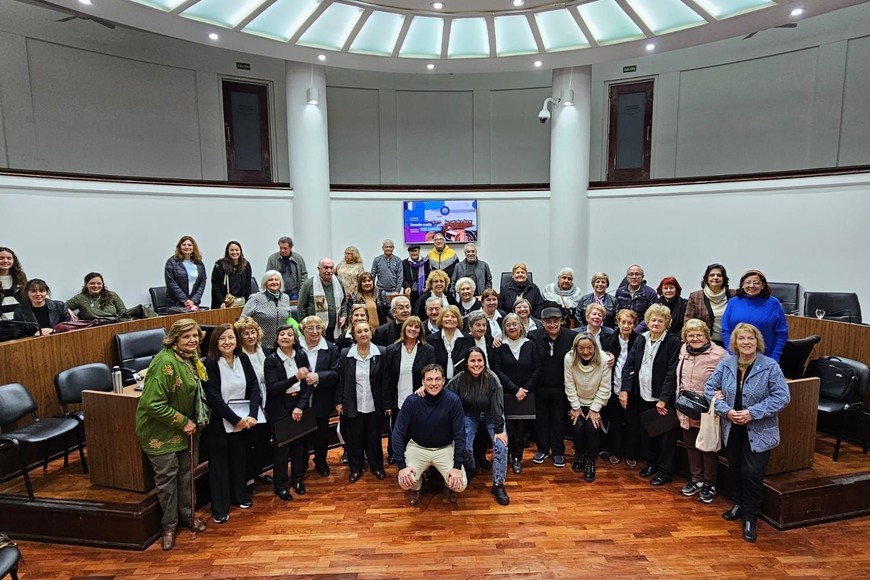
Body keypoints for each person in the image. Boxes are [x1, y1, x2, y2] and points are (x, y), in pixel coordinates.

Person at [705, 322, 790, 543]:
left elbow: (782, 397)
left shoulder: (770, 366)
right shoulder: (726, 364)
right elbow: (709, 389)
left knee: (752, 475)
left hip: (758, 430)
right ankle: (739, 504)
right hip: (732, 428)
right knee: (735, 469)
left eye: (750, 338)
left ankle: (751, 517)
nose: (746, 342)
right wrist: (726, 410)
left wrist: (752, 413)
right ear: (735, 342)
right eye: (741, 339)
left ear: (757, 341)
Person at [135, 318, 209, 551]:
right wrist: (183, 421)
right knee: (167, 481)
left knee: (187, 476)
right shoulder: (164, 363)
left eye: (195, 336)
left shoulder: (190, 358)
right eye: (186, 336)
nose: (193, 340)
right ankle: (169, 526)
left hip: (188, 430)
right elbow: (152, 404)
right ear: (174, 338)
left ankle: (188, 517)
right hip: (162, 431)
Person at [202, 324, 260, 524]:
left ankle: (240, 496)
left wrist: (252, 415)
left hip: (244, 422)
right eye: (222, 339)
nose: (227, 342)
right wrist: (236, 420)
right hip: (219, 423)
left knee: (239, 460)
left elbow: (254, 387)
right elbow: (213, 397)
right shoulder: (209, 363)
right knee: (219, 466)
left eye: (231, 338)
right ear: (215, 342)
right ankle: (219, 507)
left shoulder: (242, 358)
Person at [621, 303, 681, 486]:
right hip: (642, 394)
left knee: (665, 438)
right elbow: (629, 365)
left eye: (660, 321)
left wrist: (663, 399)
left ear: (667, 323)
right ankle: (651, 463)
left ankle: (665, 472)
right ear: (647, 321)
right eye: (653, 320)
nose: (656, 323)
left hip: (661, 399)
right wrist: (624, 389)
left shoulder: (672, 342)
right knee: (647, 433)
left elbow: (672, 372)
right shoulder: (641, 339)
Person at [393, 364, 467, 506]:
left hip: (444, 448)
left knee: (460, 484)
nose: (433, 383)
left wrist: (457, 467)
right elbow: (398, 433)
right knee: (405, 481)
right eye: (429, 379)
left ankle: (448, 486)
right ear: (422, 381)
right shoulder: (411, 401)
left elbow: (460, 435)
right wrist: (402, 466)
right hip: (418, 447)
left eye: (438, 379)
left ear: (444, 381)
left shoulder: (453, 401)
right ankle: (416, 487)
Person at [445, 347, 510, 505]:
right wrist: (423, 389)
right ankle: (472, 467)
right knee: (464, 446)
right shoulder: (459, 379)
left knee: (501, 446)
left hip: (491, 415)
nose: (476, 364)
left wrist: (500, 431)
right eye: (472, 360)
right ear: (466, 363)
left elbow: (497, 407)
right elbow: (443, 394)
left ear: (484, 362)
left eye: (479, 360)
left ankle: (498, 484)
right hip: (469, 414)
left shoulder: (492, 379)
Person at [676, 319, 728, 504]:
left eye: (699, 334)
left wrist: (720, 396)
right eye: (691, 335)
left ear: (707, 335)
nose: (695, 338)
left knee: (708, 448)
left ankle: (709, 484)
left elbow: (728, 381)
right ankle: (696, 479)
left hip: (707, 410)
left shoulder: (720, 354)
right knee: (690, 444)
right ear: (686, 338)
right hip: (685, 408)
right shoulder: (683, 350)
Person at [264, 324, 312, 500]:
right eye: (282, 334)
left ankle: (298, 480)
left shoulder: (301, 355)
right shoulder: (271, 360)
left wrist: (300, 406)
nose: (286, 337)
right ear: (277, 339)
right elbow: (273, 388)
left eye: (289, 334)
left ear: (295, 338)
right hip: (279, 408)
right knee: (282, 450)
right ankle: (281, 485)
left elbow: (308, 384)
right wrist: (294, 377)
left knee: (300, 447)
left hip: (299, 403)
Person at [336, 320, 387, 483]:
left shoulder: (382, 352)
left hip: (374, 403)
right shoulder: (345, 353)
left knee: (374, 438)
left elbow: (387, 380)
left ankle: (377, 466)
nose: (363, 334)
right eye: (359, 331)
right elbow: (341, 380)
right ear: (354, 335)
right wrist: (339, 402)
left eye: (366, 331)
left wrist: (387, 404)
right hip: (353, 403)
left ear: (371, 333)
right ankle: (356, 468)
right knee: (354, 438)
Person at [492, 312, 541, 475]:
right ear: (504, 328)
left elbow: (537, 369)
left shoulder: (530, 344)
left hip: (526, 395)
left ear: (521, 326)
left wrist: (524, 389)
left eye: (515, 324)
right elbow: (497, 370)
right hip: (506, 393)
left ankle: (517, 458)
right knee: (508, 429)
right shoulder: (499, 345)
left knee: (521, 430)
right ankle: (504, 457)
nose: (512, 327)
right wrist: (515, 389)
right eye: (508, 324)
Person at [383, 316, 436, 464]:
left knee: (417, 429)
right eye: (410, 326)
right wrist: (387, 404)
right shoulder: (392, 349)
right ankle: (395, 454)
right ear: (404, 328)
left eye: (416, 327)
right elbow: (386, 378)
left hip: (420, 398)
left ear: (421, 330)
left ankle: (416, 458)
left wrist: (425, 386)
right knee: (397, 429)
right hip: (398, 398)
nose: (413, 329)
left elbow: (432, 374)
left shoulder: (427, 350)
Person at [529, 307, 576, 468]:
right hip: (539, 387)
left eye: (555, 320)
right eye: (548, 321)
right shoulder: (533, 336)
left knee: (558, 420)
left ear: (561, 321)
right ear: (542, 322)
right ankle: (542, 449)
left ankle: (558, 451)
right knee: (540, 420)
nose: (552, 324)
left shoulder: (572, 336)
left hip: (561, 387)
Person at [297, 316, 341, 477]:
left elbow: (336, 373)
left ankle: (320, 461)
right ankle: (300, 463)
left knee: (321, 434)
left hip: (321, 399)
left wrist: (318, 377)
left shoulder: (331, 348)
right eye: (310, 328)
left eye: (318, 327)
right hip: (297, 401)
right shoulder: (295, 347)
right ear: (303, 329)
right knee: (300, 435)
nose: (315, 331)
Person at [564, 332, 612, 482]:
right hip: (576, 401)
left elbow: (605, 387)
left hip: (597, 402)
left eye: (590, 348)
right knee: (578, 427)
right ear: (576, 348)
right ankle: (579, 455)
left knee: (592, 427)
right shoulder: (569, 358)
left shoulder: (604, 359)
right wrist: (576, 407)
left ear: (595, 347)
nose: (586, 352)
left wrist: (594, 409)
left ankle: (591, 460)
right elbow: (569, 383)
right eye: (581, 348)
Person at [234, 317, 272, 487]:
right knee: (249, 441)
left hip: (267, 398)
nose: (250, 336)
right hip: (248, 401)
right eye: (245, 334)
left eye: (253, 332)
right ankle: (248, 477)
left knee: (263, 439)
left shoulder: (263, 349)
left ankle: (260, 470)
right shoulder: (238, 355)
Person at [721, 269, 788, 362]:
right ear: (742, 285)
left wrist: (775, 356)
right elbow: (726, 330)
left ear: (763, 285)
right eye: (748, 282)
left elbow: (781, 333)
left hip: (766, 357)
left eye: (756, 283)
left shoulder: (773, 303)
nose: (751, 286)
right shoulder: (733, 302)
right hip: (737, 357)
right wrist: (732, 352)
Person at [603, 309, 641, 467]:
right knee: (615, 422)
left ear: (634, 324)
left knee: (633, 423)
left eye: (629, 323)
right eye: (623, 322)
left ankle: (631, 454)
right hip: (613, 387)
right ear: (617, 323)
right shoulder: (609, 340)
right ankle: (616, 452)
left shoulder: (640, 340)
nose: (626, 326)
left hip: (633, 389)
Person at [684, 263, 735, 346]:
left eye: (719, 275)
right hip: (705, 344)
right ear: (707, 279)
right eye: (712, 275)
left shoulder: (734, 295)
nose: (715, 277)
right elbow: (688, 322)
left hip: (732, 343)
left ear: (724, 278)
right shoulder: (696, 296)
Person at [240, 271, 294, 347]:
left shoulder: (285, 298)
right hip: (261, 345)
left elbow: (288, 318)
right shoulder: (256, 298)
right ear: (265, 283)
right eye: (270, 280)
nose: (274, 282)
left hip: (281, 344)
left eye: (276, 280)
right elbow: (242, 320)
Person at [298, 257, 346, 341]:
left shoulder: (339, 282)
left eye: (331, 267)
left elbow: (344, 302)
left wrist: (344, 316)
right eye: (326, 267)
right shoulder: (308, 284)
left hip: (335, 328)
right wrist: (305, 326)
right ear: (318, 269)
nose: (329, 270)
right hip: (314, 330)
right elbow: (301, 307)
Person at [429, 305, 472, 380]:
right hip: (437, 383)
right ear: (441, 319)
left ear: (458, 320)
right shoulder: (431, 340)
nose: (449, 319)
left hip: (463, 382)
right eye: (446, 316)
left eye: (453, 316)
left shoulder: (468, 339)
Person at [164, 235, 207, 310]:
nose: (187, 247)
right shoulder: (171, 262)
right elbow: (171, 283)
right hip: (176, 304)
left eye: (189, 245)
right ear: (179, 247)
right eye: (184, 245)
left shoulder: (199, 263)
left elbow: (202, 282)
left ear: (194, 247)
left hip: (194, 304)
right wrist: (185, 300)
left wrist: (194, 300)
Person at [210, 241, 253, 310]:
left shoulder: (246, 265)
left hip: (241, 302)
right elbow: (216, 286)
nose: (234, 252)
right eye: (232, 250)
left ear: (240, 251)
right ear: (227, 251)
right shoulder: (219, 265)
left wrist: (250, 303)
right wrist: (221, 301)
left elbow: (248, 286)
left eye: (237, 250)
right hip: (224, 303)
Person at [265, 236, 308, 301]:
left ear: (290, 248)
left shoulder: (298, 258)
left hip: (295, 292)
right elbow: (268, 275)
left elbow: (304, 274)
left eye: (285, 248)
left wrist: (302, 289)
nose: (282, 250)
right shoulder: (272, 259)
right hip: (279, 292)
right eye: (281, 248)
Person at [0, 247, 27, 320]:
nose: (5, 261)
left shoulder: (20, 276)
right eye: (1, 258)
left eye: (9, 258)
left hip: (20, 321)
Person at [402, 245, 431, 311]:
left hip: (423, 291)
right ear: (409, 253)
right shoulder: (404, 263)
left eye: (415, 251)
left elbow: (429, 276)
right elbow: (402, 278)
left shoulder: (426, 262)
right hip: (410, 292)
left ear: (419, 251)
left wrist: (426, 287)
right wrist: (407, 287)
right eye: (412, 251)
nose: (414, 253)